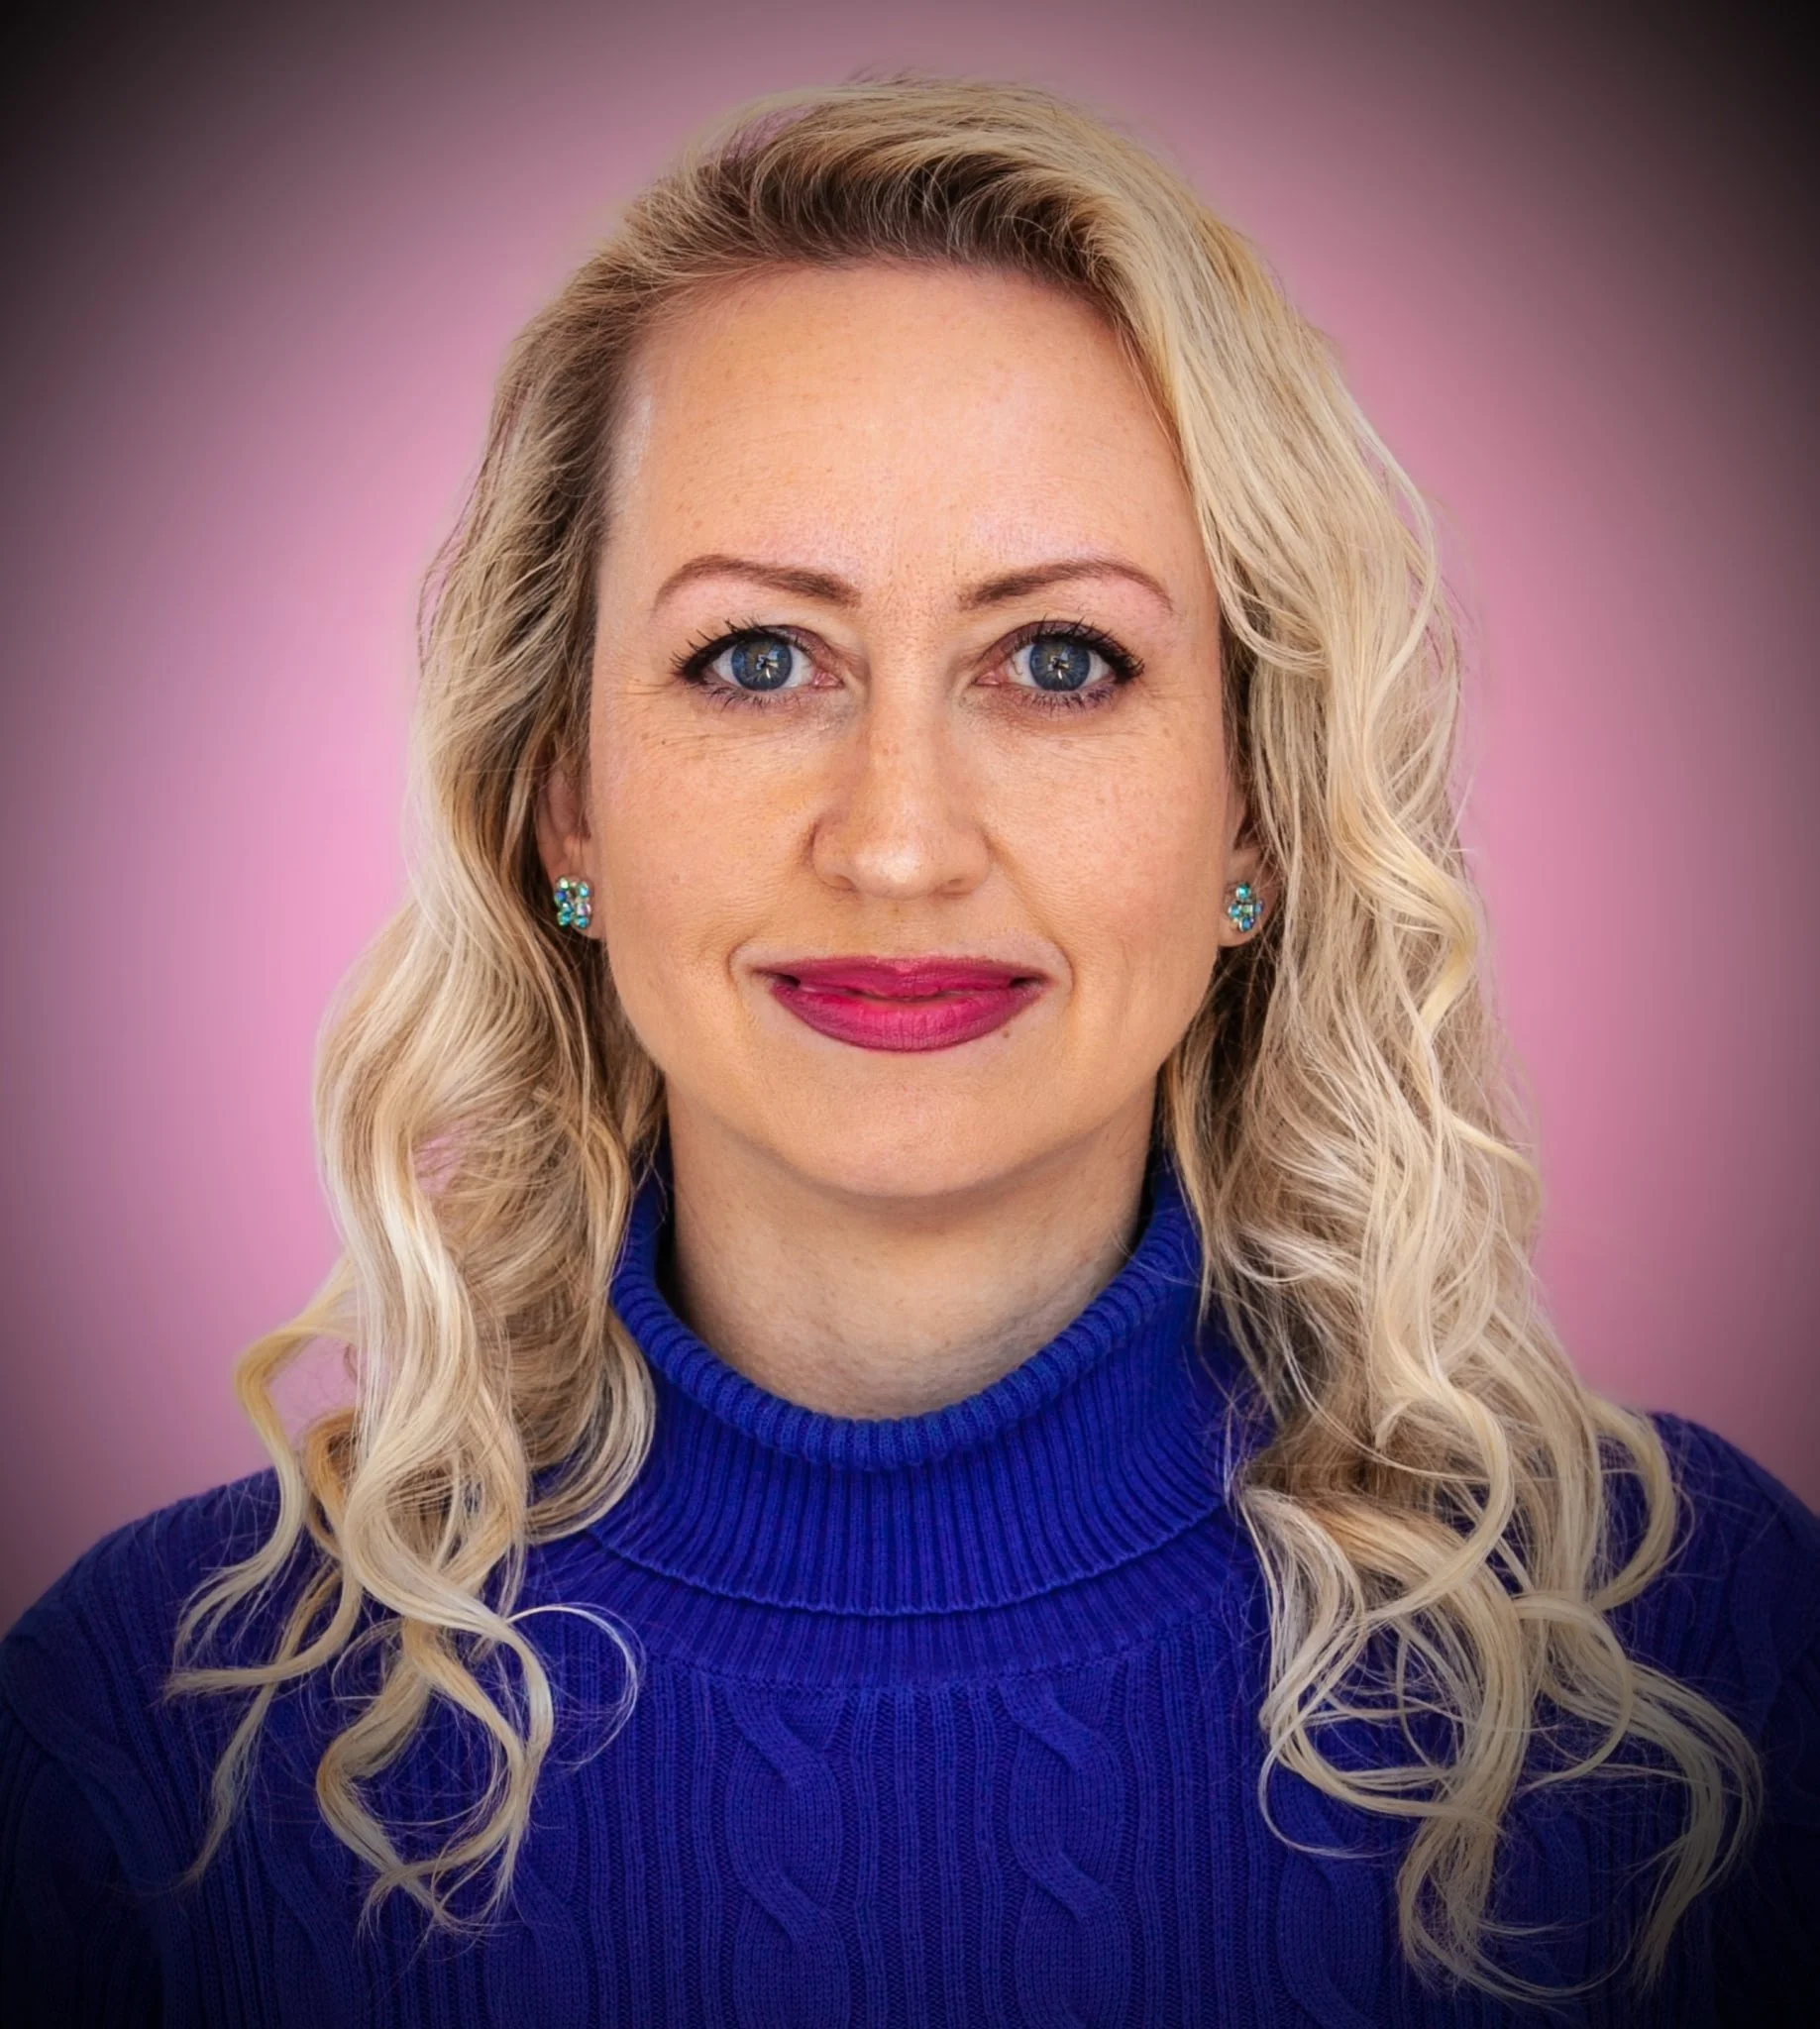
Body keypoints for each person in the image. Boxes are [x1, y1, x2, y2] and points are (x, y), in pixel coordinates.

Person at [1, 72, 1814, 2029]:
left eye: (1060, 662)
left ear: (1255, 814)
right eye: (757, 659)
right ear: (564, 802)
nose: (895, 841)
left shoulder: (1688, 1659)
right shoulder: (161, 1734)